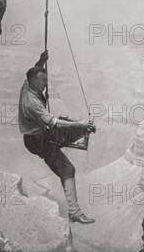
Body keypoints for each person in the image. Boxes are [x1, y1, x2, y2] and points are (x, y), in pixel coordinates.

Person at [18, 50, 96, 224]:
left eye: (46, 79)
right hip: (38, 141)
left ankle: (69, 137)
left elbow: (35, 69)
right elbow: (54, 123)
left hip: (42, 134)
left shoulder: (26, 85)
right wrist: (80, 124)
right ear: (33, 82)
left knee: (78, 128)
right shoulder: (31, 103)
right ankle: (74, 213)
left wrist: (41, 60)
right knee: (68, 170)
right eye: (43, 80)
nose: (46, 82)